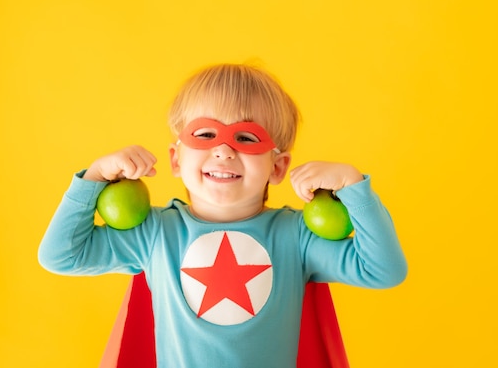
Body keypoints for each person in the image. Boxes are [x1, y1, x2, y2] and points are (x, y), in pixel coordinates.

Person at [38, 63, 407, 368]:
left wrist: (354, 189)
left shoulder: (296, 237)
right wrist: (94, 179)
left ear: (277, 167)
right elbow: (61, 255)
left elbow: (382, 269)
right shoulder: (154, 234)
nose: (224, 150)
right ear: (175, 159)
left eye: (247, 138)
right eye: (205, 134)